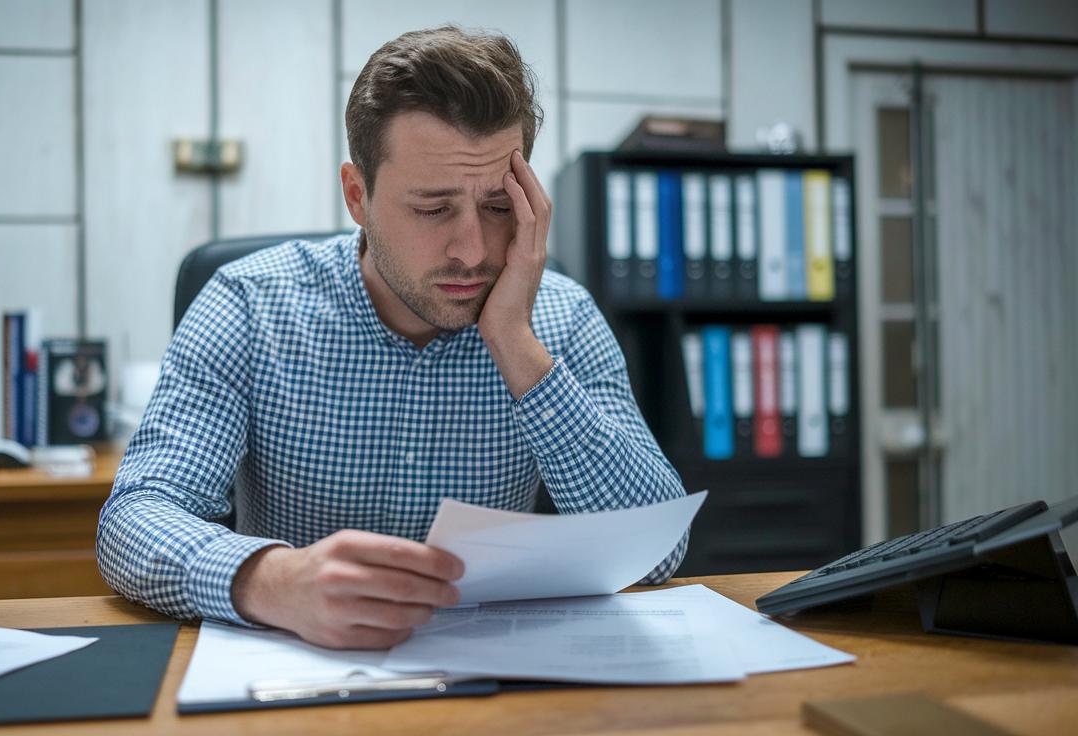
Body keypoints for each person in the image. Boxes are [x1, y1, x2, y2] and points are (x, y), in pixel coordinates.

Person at [97, 25, 689, 650]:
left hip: (496, 674)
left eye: (498, 207)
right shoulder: (250, 303)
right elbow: (134, 519)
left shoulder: (561, 318)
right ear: (358, 196)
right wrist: (271, 581)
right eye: (432, 209)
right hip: (298, 667)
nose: (472, 252)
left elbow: (656, 551)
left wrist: (516, 342)